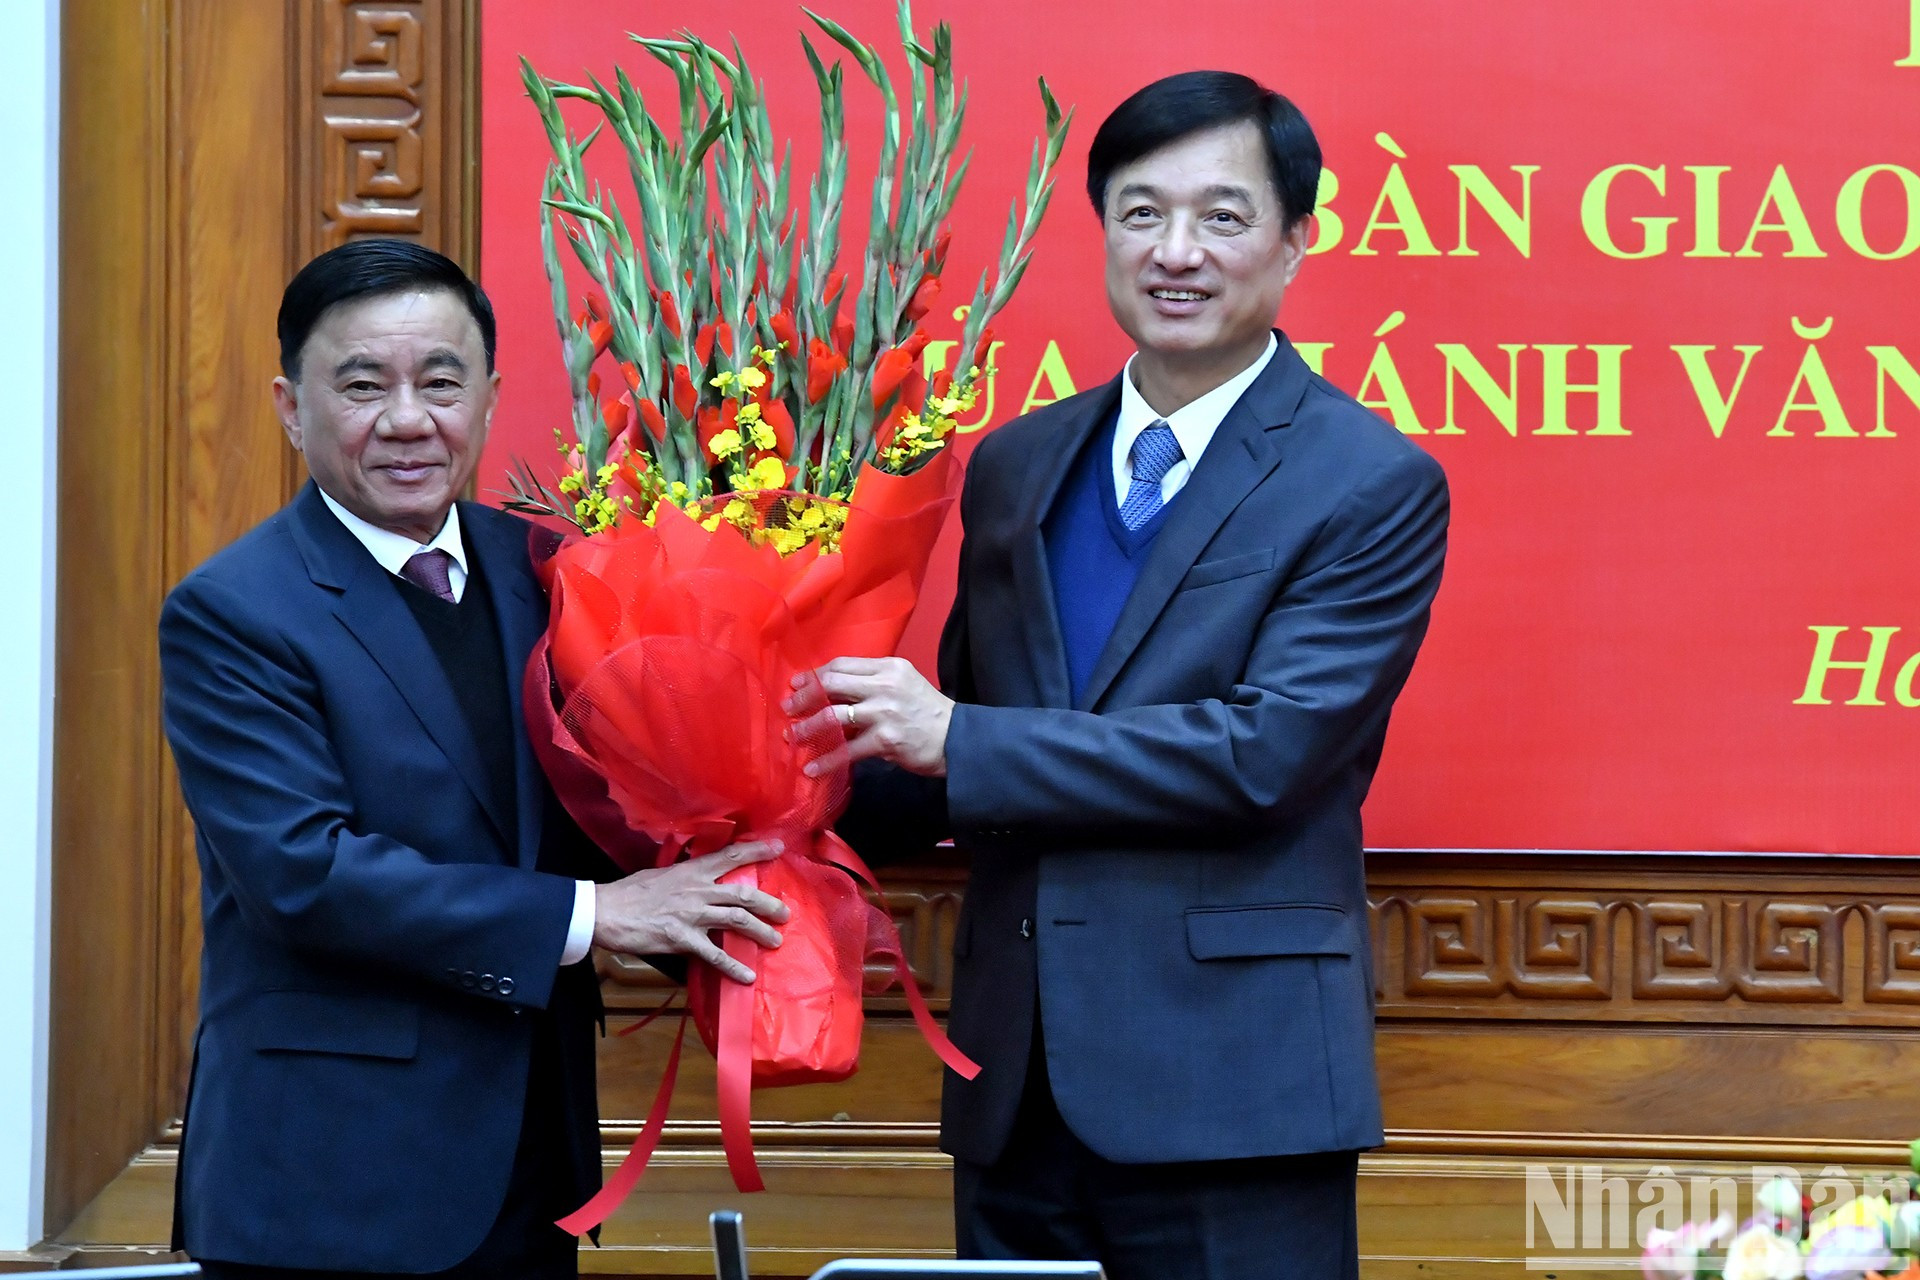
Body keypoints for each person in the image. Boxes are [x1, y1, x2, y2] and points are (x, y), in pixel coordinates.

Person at [806, 72, 1449, 1280]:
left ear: (1296, 239)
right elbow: (957, 754)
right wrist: (767, 778)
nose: (1177, 251)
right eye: (1141, 213)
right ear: (1103, 230)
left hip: (1233, 1090)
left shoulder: (1367, 481)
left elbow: (1264, 755)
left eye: (1222, 215)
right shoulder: (1017, 463)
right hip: (1017, 1089)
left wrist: (958, 739)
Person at [159, 239, 790, 1279]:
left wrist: (809, 784)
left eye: (440, 381)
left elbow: (631, 782)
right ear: (288, 404)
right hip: (331, 1188)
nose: (408, 419)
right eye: (363, 384)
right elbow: (302, 874)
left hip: (530, 1172)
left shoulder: (548, 567)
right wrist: (598, 915)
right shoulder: (235, 612)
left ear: (489, 397)